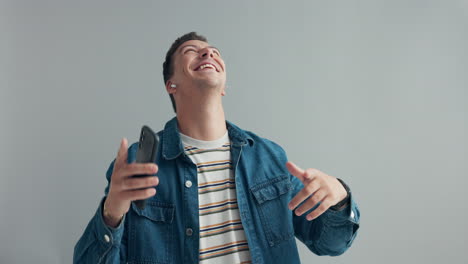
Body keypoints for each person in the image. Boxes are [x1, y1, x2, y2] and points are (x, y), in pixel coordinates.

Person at [73, 32, 360, 264]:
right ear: (170, 84)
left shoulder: (269, 158)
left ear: (223, 86)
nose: (208, 53)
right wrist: (112, 213)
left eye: (214, 51)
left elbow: (330, 244)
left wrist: (340, 196)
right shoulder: (138, 164)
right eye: (191, 51)